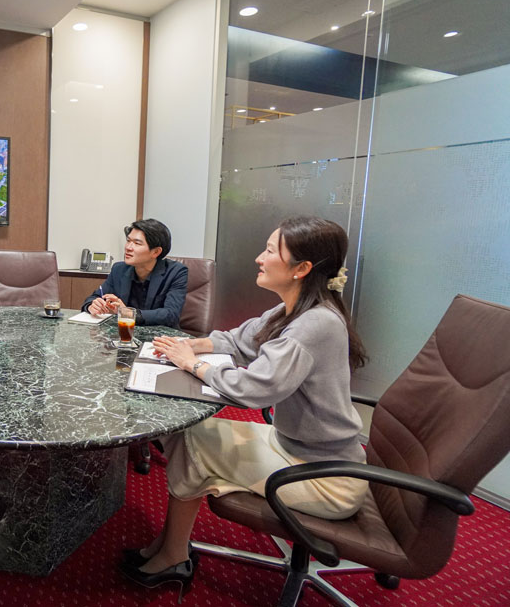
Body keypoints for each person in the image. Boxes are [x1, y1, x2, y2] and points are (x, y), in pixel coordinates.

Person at [120, 216, 368, 597]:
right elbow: (237, 340)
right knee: (187, 432)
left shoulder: (313, 325)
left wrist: (193, 364)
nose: (259, 258)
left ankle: (172, 553)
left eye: (270, 251)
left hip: (323, 475)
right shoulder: (293, 309)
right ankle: (170, 545)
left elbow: (255, 389)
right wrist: (184, 348)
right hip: (293, 446)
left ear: (301, 269)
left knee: (192, 449)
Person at [81, 218, 187, 328]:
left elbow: (171, 315)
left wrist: (128, 313)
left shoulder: (176, 272)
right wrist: (92, 305)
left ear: (156, 252)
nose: (128, 247)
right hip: (122, 335)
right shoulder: (119, 269)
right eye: (128, 241)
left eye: (137, 243)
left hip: (159, 339)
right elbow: (95, 296)